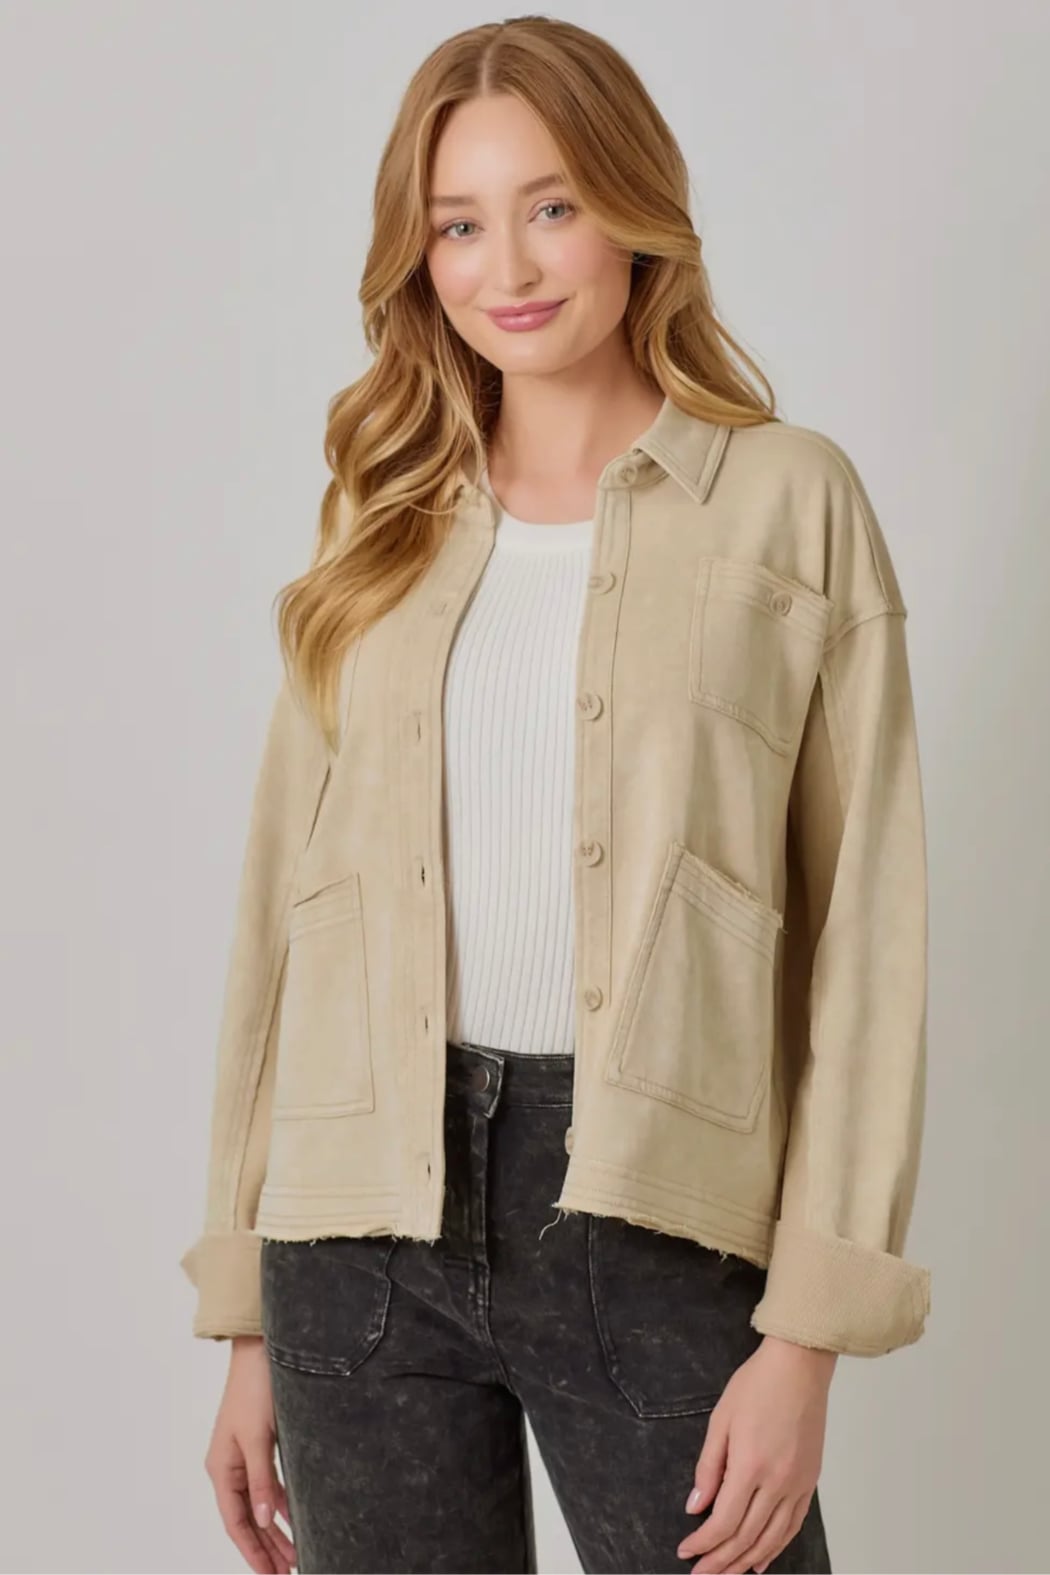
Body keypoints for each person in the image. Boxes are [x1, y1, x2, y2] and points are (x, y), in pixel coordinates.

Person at [179, 16, 931, 1575]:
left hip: (653, 1215)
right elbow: (282, 927)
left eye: (551, 206)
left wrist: (803, 1339)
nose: (505, 266)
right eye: (457, 224)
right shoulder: (381, 517)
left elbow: (866, 936)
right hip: (355, 1236)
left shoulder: (786, 501)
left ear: (634, 212)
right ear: (417, 255)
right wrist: (248, 1311)